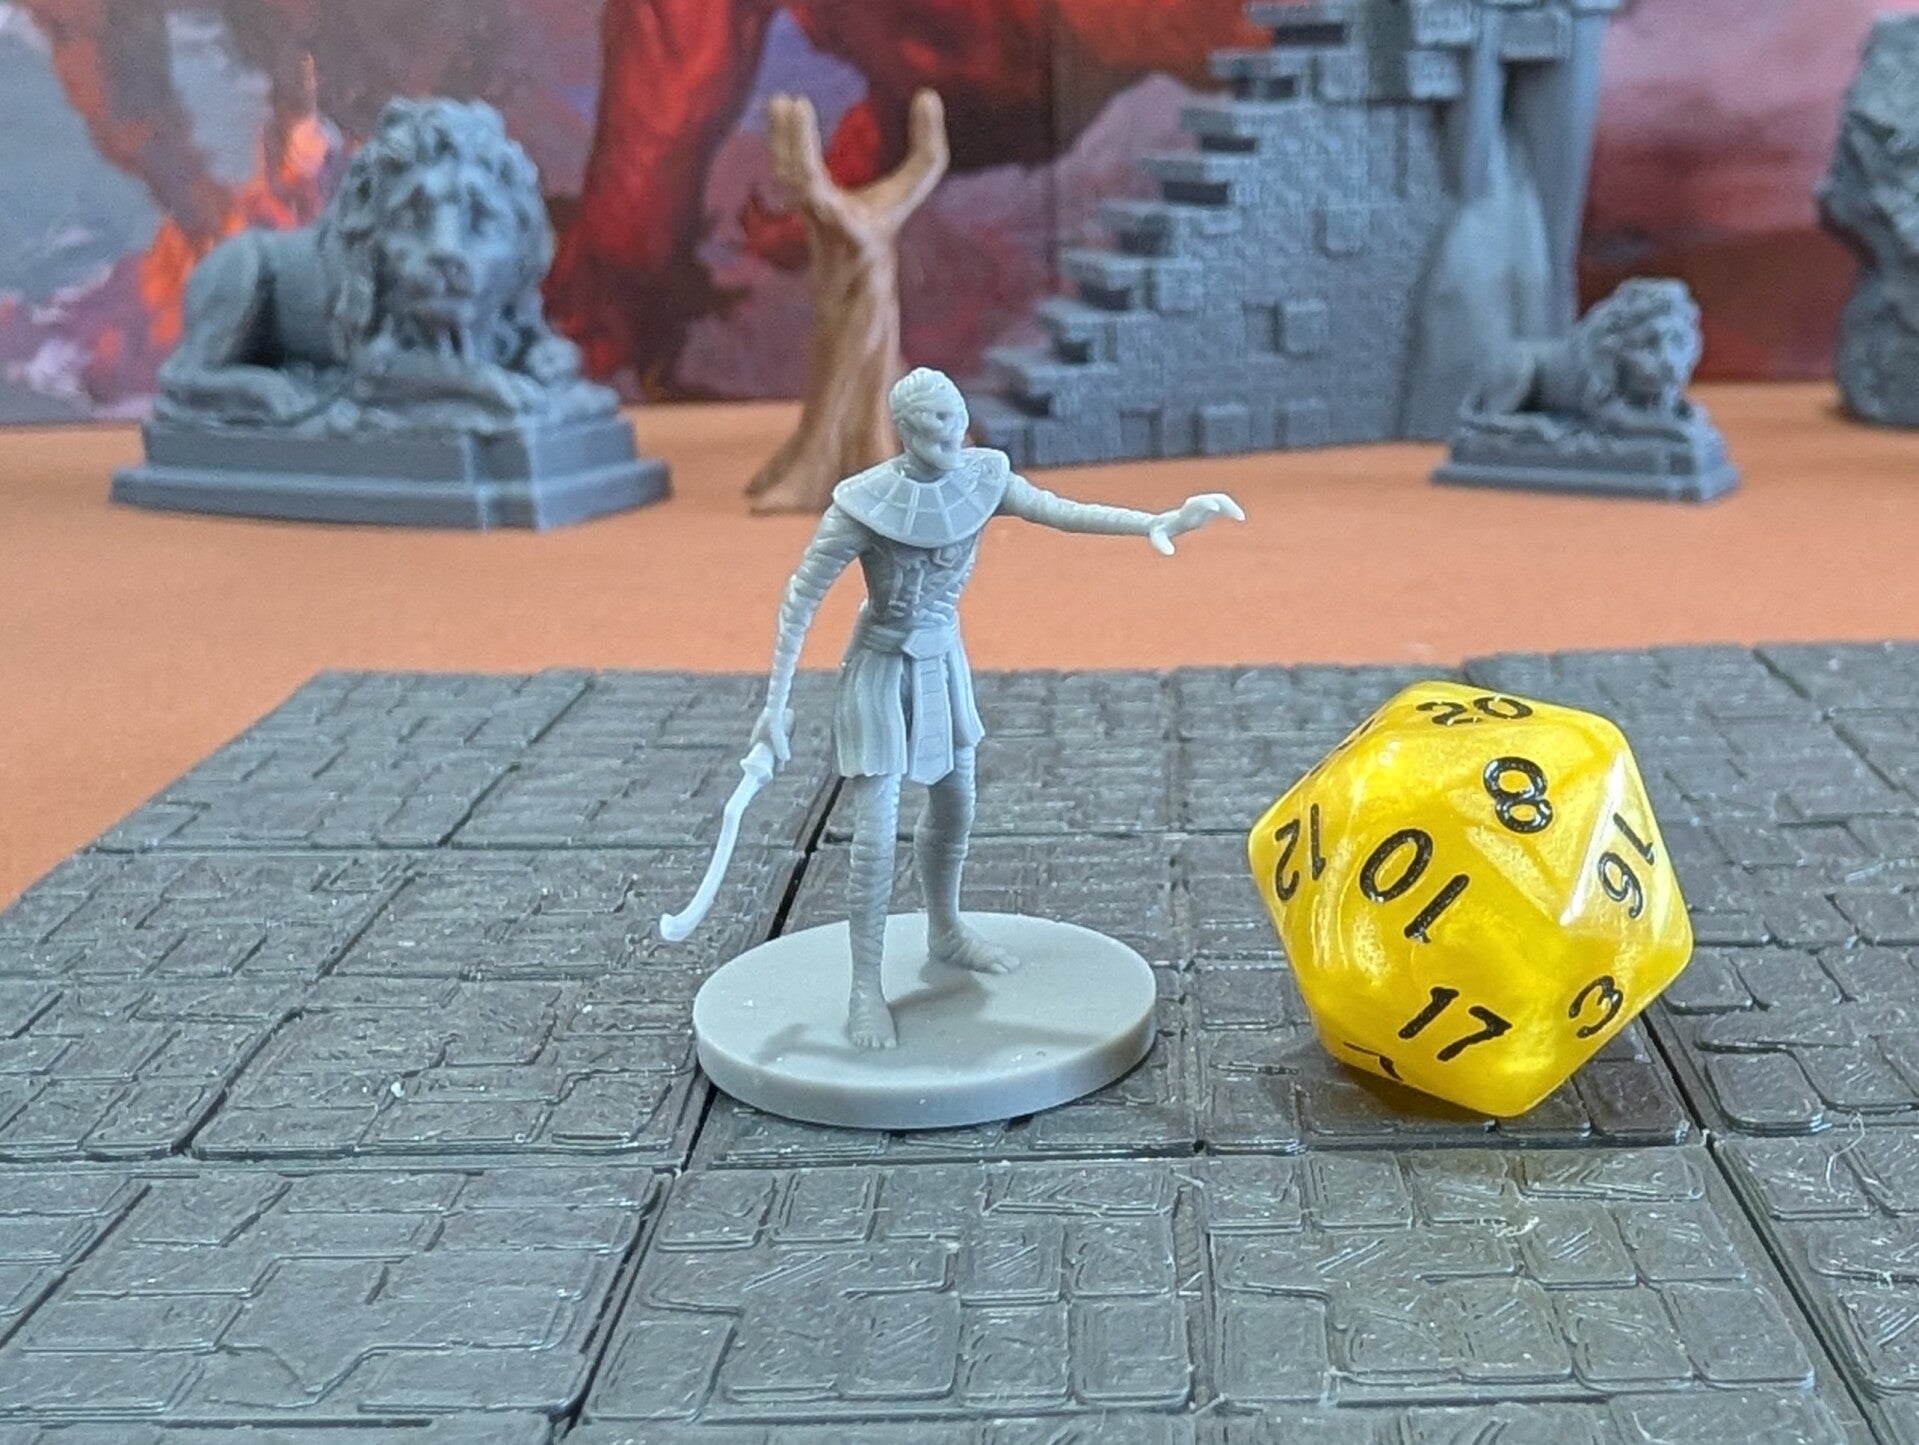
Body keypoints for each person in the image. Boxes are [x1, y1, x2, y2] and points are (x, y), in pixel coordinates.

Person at [751, 367, 1242, 1047]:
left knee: (957, 801)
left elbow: (1061, 510)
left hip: (943, 659)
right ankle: (866, 985)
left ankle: (945, 926)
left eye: (956, 416)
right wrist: (774, 705)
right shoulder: (863, 505)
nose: (951, 432)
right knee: (874, 833)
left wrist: (1154, 521)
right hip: (882, 667)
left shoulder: (984, 478)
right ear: (906, 430)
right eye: (934, 423)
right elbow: (800, 597)